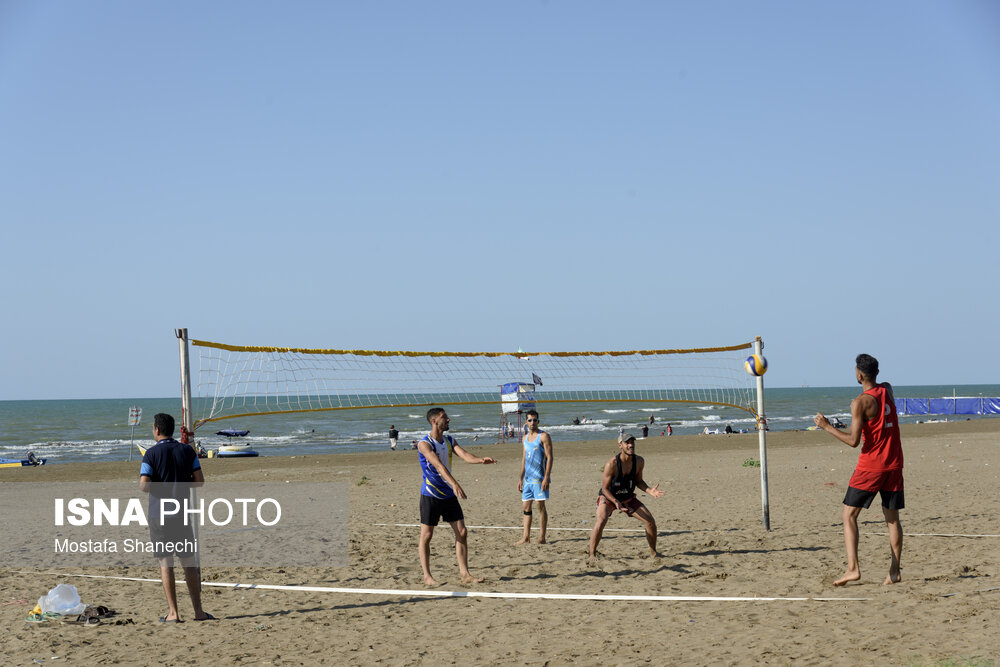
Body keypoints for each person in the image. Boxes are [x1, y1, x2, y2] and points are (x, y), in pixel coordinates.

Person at [814, 354, 904, 586]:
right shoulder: (888, 389)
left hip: (872, 466)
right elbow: (881, 392)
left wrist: (826, 426)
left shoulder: (860, 402)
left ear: (859, 374)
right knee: (892, 519)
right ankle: (894, 572)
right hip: (894, 463)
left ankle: (853, 569)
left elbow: (854, 441)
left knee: (848, 515)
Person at [138, 413, 214, 622]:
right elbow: (199, 481)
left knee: (166, 563)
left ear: (156, 430)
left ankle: (174, 613)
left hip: (159, 514)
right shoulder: (187, 451)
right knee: (188, 562)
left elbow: (144, 485)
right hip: (181, 513)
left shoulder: (151, 454)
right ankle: (198, 611)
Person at [417, 407, 498, 585]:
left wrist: (480, 460)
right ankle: (428, 576)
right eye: (444, 417)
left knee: (462, 531)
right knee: (427, 535)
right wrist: (454, 483)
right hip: (431, 494)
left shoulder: (449, 440)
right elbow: (438, 466)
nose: (448, 420)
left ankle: (465, 574)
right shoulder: (424, 444)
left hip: (448, 495)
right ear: (434, 421)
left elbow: (465, 455)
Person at [589, 433, 665, 559]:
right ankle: (592, 554)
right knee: (601, 520)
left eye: (632, 442)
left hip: (627, 498)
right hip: (609, 497)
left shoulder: (639, 461)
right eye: (627, 443)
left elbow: (638, 481)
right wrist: (615, 502)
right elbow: (605, 488)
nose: (631, 445)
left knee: (650, 522)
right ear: (620, 445)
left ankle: (654, 553)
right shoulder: (612, 464)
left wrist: (649, 491)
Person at [515, 409, 553, 545]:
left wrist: (546, 478)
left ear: (538, 421)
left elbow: (550, 458)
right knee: (526, 507)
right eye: (530, 420)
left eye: (535, 420)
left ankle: (542, 537)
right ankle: (526, 537)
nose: (532, 422)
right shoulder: (525, 438)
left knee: (540, 506)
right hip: (528, 480)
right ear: (526, 422)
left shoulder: (544, 436)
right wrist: (520, 478)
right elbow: (524, 459)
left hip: (539, 478)